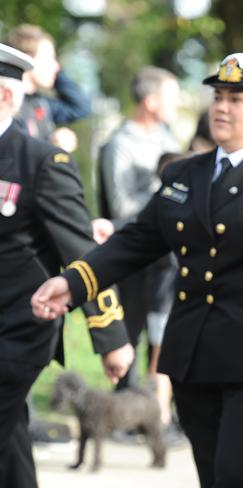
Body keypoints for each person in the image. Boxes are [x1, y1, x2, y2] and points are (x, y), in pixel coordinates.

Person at [31, 52, 243, 488]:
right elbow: (137, 240)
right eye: (218, 96)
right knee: (215, 476)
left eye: (237, 98)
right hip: (197, 356)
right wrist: (72, 283)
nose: (222, 106)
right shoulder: (186, 172)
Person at [0, 43, 132, 488]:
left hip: (16, 328)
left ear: (4, 97)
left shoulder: (41, 162)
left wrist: (110, 337)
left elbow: (85, 255)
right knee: (9, 439)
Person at [97, 66, 180, 407]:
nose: (176, 105)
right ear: (150, 101)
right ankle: (123, 408)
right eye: (171, 98)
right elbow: (121, 205)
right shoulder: (119, 144)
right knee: (130, 325)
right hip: (132, 249)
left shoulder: (167, 137)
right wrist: (163, 194)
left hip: (165, 254)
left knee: (162, 328)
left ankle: (154, 411)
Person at [6, 24, 91, 152]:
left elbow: (80, 107)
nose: (57, 66)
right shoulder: (6, 103)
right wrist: (51, 146)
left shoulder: (40, 103)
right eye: (50, 58)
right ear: (28, 58)